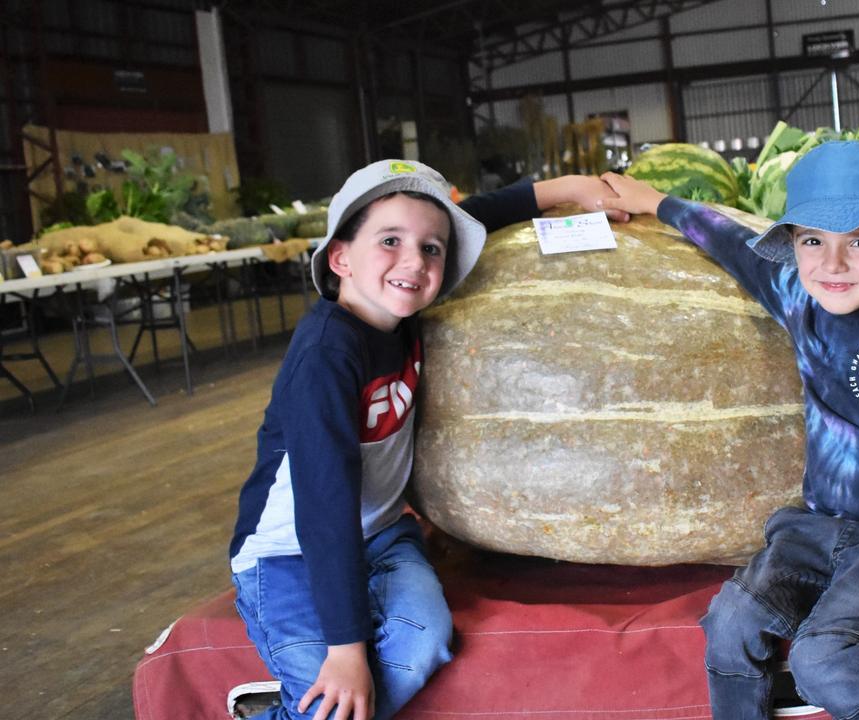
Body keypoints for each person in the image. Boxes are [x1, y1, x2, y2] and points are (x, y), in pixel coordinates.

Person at [598, 141, 859, 720]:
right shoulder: (798, 294)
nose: (831, 263)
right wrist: (654, 200)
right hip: (818, 524)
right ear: (794, 246)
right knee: (730, 623)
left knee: (822, 655)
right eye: (812, 240)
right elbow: (729, 241)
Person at [228, 159, 624, 720]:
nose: (413, 261)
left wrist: (567, 188)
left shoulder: (399, 310)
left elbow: (470, 217)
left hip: (385, 536)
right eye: (389, 241)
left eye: (432, 250)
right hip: (289, 552)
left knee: (421, 647)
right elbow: (323, 507)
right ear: (339, 257)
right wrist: (347, 649)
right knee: (332, 700)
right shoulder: (325, 357)